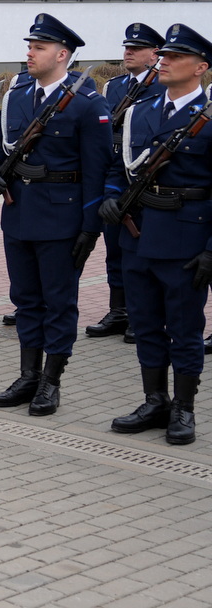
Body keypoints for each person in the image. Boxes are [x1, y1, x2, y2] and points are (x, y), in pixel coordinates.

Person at [0, 13, 112, 416]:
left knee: (58, 302)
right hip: (20, 214)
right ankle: (27, 375)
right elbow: (1, 148)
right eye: (30, 46)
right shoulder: (16, 95)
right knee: (26, 300)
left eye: (37, 48)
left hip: (62, 217)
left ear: (62, 54)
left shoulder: (88, 104)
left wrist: (90, 229)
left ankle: (51, 382)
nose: (29, 54)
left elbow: (98, 170)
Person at [103, 24, 212, 444]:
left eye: (175, 57)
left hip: (186, 237)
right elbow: (120, 167)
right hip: (138, 233)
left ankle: (184, 409)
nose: (163, 62)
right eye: (163, 55)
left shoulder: (206, 117)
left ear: (200, 67)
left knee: (184, 327)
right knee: (146, 324)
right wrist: (112, 196)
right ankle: (155, 400)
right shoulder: (140, 111)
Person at [87, 23, 165, 342]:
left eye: (136, 48)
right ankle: (118, 310)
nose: (128, 52)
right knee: (115, 249)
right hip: (117, 174)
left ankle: (142, 314)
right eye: (126, 47)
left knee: (142, 253)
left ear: (154, 55)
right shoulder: (115, 87)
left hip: (145, 178)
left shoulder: (163, 86)